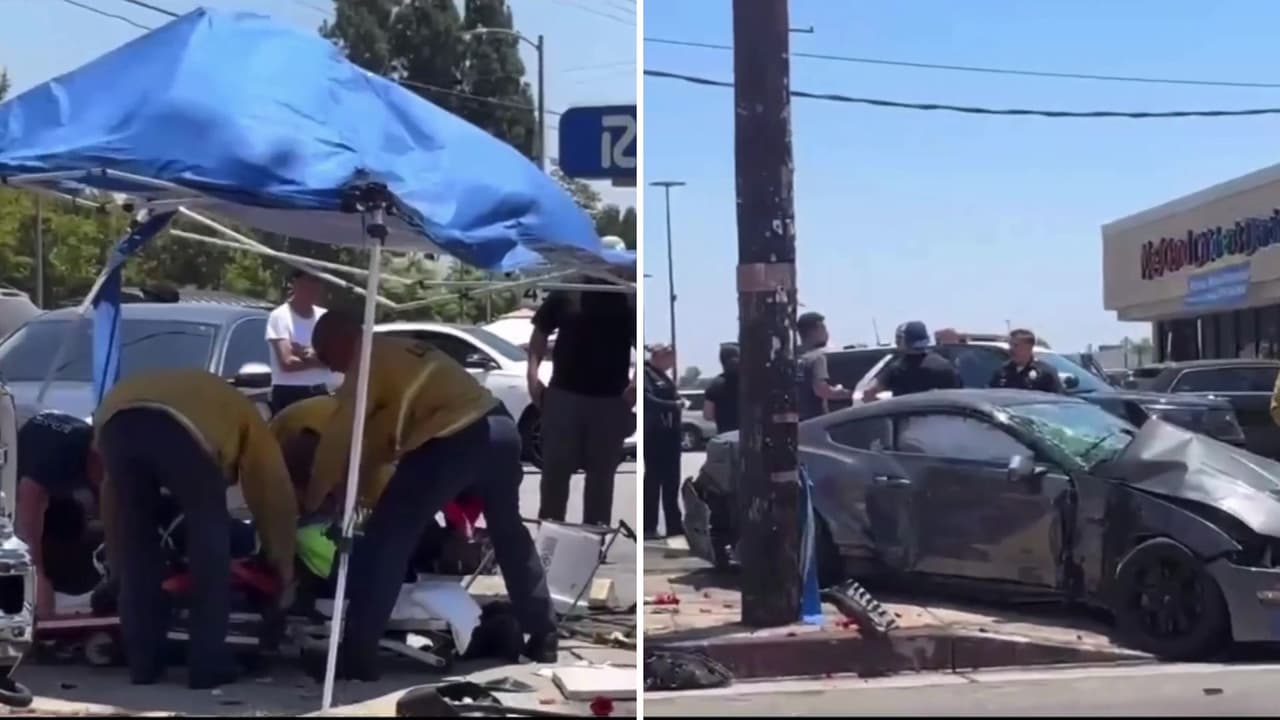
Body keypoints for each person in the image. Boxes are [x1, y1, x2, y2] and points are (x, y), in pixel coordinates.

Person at [309, 312, 556, 679]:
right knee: (509, 534)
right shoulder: (398, 352)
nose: (331, 369)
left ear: (340, 340)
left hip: (454, 437)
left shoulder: (366, 361)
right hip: (500, 429)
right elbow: (375, 444)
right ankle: (543, 635)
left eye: (326, 356)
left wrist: (313, 497)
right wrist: (352, 485)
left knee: (386, 539)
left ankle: (357, 655)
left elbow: (336, 438)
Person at [94, 369, 298, 689]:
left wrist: (117, 564)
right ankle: (208, 663)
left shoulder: (198, 395)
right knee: (209, 531)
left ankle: (143, 664)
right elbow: (274, 496)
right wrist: (283, 565)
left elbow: (113, 497)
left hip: (114, 419)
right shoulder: (247, 418)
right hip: (182, 428)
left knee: (136, 530)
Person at [527, 278, 637, 526]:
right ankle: (551, 535)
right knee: (555, 473)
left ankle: (593, 538)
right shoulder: (567, 291)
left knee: (601, 477)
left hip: (610, 401)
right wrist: (532, 376)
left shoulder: (628, 296)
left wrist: (636, 384)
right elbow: (540, 334)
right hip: (564, 396)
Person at [14, 412, 101, 620]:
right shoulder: (40, 474)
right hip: (29, 460)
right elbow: (31, 553)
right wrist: (45, 611)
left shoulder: (95, 446)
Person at [265, 270, 330, 414]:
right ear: (296, 283)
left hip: (320, 392)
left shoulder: (324, 316)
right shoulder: (280, 316)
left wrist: (304, 354)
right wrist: (319, 358)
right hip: (290, 395)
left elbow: (335, 359)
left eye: (318, 281)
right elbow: (287, 363)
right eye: (310, 281)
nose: (315, 287)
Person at [861, 321, 962, 401]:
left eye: (898, 339)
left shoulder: (896, 369)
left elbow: (868, 393)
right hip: (943, 419)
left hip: (907, 420)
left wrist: (888, 409)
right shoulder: (945, 366)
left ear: (904, 341)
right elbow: (959, 396)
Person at [643, 344, 683, 540]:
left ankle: (674, 526)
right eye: (670, 358)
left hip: (671, 434)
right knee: (653, 482)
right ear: (659, 356)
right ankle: (648, 526)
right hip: (655, 435)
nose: (672, 363)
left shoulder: (664, 376)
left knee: (672, 482)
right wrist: (673, 405)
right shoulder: (646, 374)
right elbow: (647, 399)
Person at [797, 311, 852, 420]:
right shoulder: (817, 358)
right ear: (817, 329)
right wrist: (849, 394)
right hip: (814, 421)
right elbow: (822, 390)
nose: (827, 334)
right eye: (824, 328)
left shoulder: (793, 358)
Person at [990, 328, 1065, 393]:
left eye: (1015, 345)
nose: (1011, 349)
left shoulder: (1045, 373)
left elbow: (1056, 399)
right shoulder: (1002, 371)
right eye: (1010, 345)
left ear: (1029, 347)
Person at [703, 343, 740, 434]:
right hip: (750, 436)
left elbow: (708, 415)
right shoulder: (751, 383)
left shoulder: (715, 384)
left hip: (726, 435)